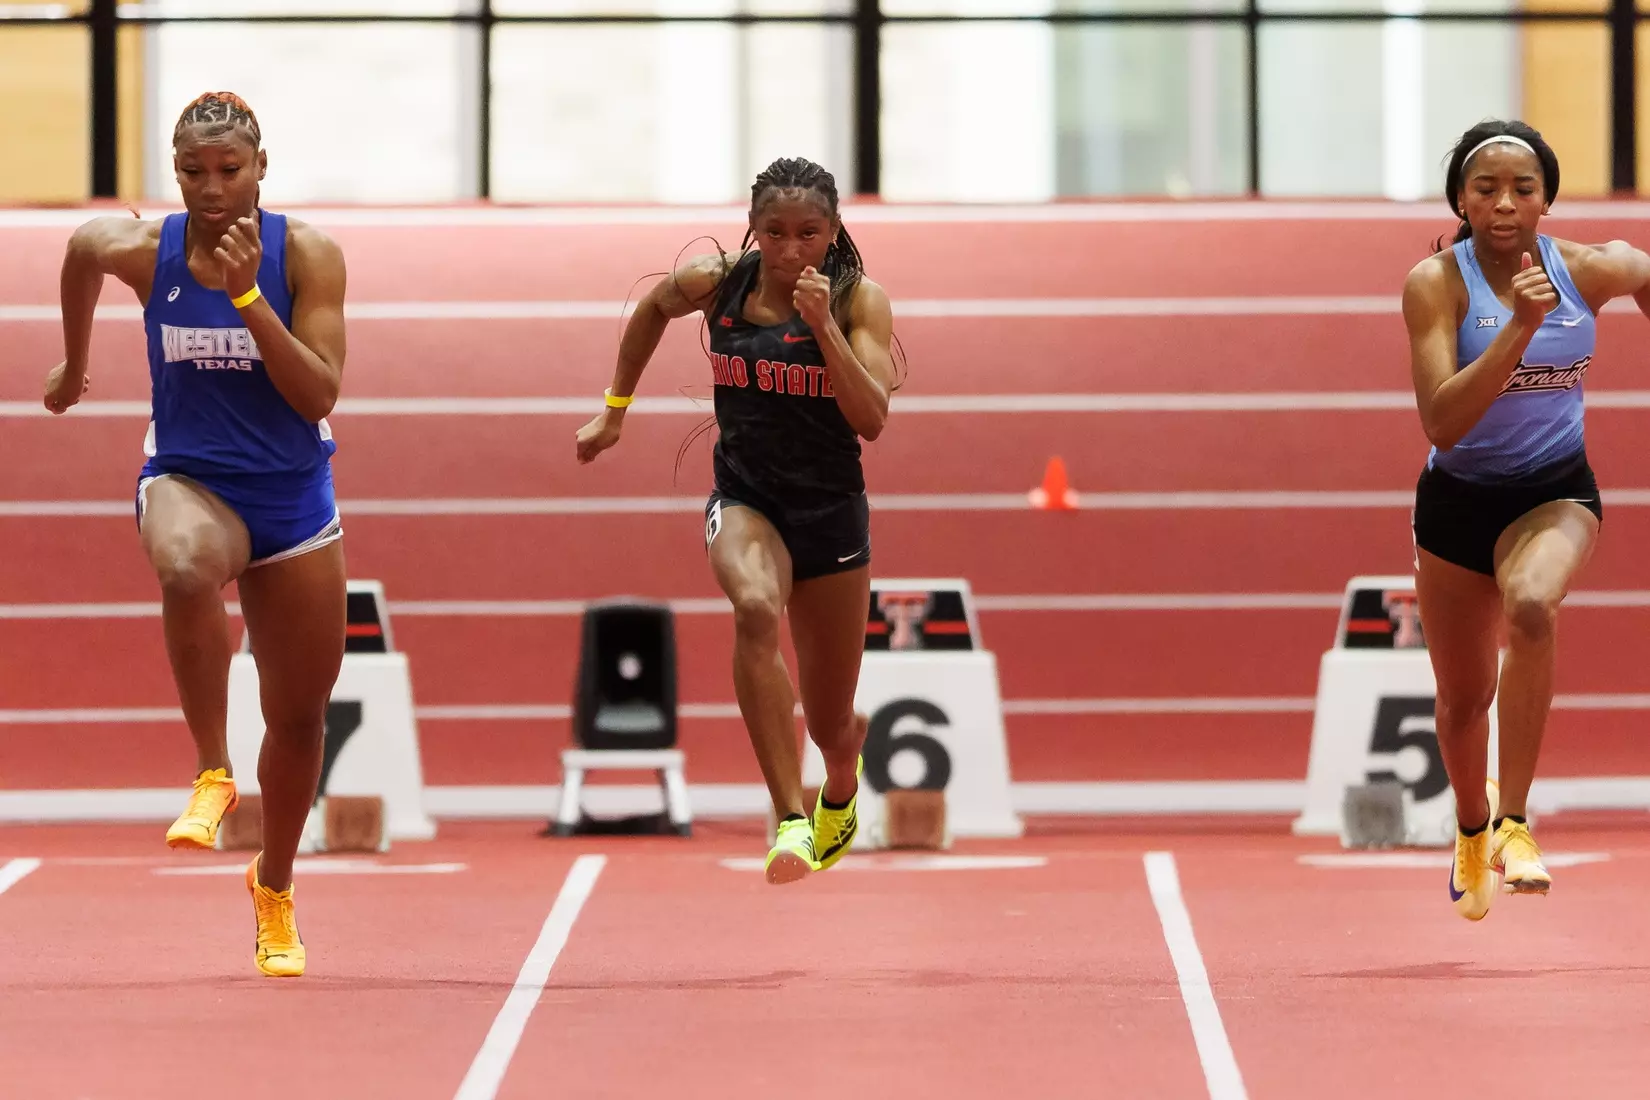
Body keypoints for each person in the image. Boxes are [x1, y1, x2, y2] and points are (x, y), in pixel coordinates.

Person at [44, 91, 349, 975]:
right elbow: (78, 249)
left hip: (293, 497)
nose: (211, 191)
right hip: (190, 477)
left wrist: (250, 295)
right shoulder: (147, 253)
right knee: (185, 567)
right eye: (192, 173)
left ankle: (276, 887)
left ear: (261, 170)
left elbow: (320, 395)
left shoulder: (310, 256)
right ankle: (212, 770)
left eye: (229, 172)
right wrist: (75, 359)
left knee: (298, 721)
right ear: (173, 174)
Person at [576, 156, 899, 884]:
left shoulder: (858, 301)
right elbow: (656, 306)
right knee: (754, 607)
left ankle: (840, 774)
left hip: (831, 515)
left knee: (829, 723)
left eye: (809, 234)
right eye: (775, 233)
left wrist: (823, 328)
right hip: (747, 497)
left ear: (834, 231)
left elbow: (871, 418)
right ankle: (791, 820)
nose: (791, 252)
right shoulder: (717, 281)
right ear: (751, 228)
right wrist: (614, 410)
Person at [1401, 119, 1650, 920]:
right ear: (1462, 201)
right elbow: (1443, 423)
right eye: (1486, 190)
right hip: (1457, 505)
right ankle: (1472, 828)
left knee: (1534, 606)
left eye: (1523, 189)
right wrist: (1518, 326)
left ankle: (1514, 823)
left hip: (1554, 492)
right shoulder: (1436, 284)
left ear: (1546, 199)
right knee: (1461, 700)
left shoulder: (1589, 268)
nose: (1505, 204)